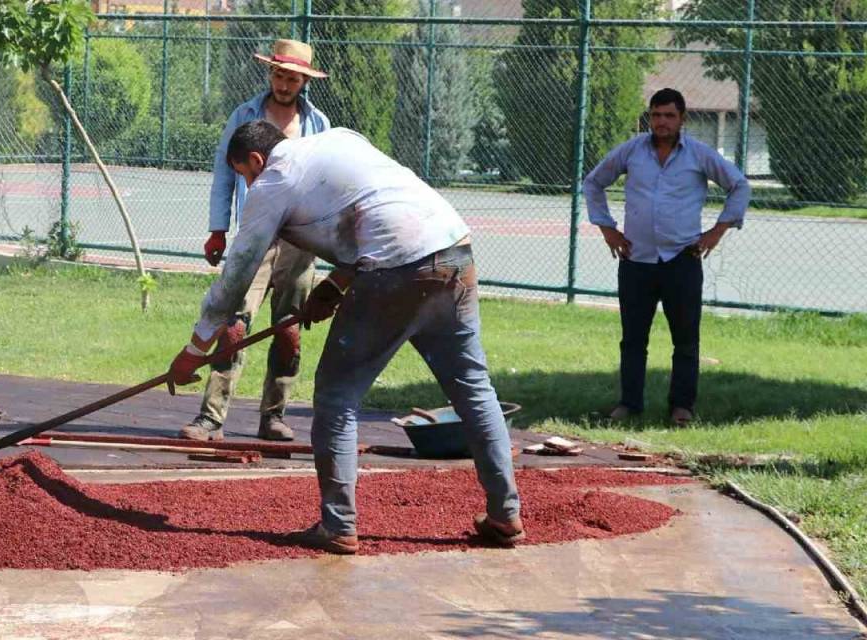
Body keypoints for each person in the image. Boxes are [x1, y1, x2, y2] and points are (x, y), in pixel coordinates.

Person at [167, 121, 523, 554]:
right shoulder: (340, 139)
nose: (247, 185)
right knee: (473, 389)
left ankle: (338, 525)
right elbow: (377, 210)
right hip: (454, 253)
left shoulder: (273, 180)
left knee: (337, 397)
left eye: (244, 175)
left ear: (257, 160)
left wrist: (195, 348)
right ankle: (505, 514)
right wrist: (336, 284)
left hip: (396, 271)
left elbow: (239, 272)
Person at [182, 39, 331, 443]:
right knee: (233, 325)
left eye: (293, 79)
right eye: (279, 75)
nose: (284, 84)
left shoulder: (318, 124)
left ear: (304, 82)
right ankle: (211, 418)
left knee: (288, 329)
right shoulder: (245, 115)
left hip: (300, 240)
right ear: (270, 73)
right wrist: (218, 228)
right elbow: (224, 172)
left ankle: (274, 416)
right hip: (256, 234)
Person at [583, 88, 751, 425]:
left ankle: (682, 407)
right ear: (650, 117)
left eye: (669, 115)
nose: (662, 122)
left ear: (682, 118)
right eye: (656, 115)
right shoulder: (632, 151)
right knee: (633, 339)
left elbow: (740, 186)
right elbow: (593, 182)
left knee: (686, 340)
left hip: (682, 260)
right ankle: (629, 404)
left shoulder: (699, 155)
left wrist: (717, 232)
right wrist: (607, 229)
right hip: (636, 260)